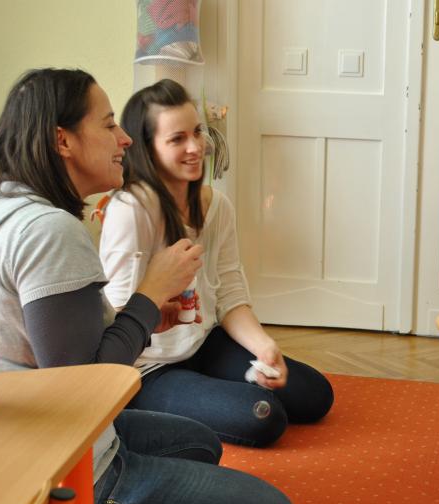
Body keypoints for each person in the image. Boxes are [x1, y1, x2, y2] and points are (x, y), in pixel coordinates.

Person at [0, 68, 292, 504]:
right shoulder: (50, 231)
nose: (124, 138)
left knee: (202, 444)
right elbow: (85, 388)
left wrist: (147, 316)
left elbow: (68, 351)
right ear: (63, 141)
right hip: (56, 465)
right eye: (108, 125)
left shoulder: (4, 209)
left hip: (24, 433)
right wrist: (150, 293)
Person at [98, 79, 333, 447]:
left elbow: (229, 293)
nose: (196, 147)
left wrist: (263, 346)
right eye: (177, 139)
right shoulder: (130, 210)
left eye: (197, 132)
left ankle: (204, 387)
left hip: (204, 343)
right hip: (148, 368)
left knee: (316, 395)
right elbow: (115, 314)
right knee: (263, 417)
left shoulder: (217, 206)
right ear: (147, 149)